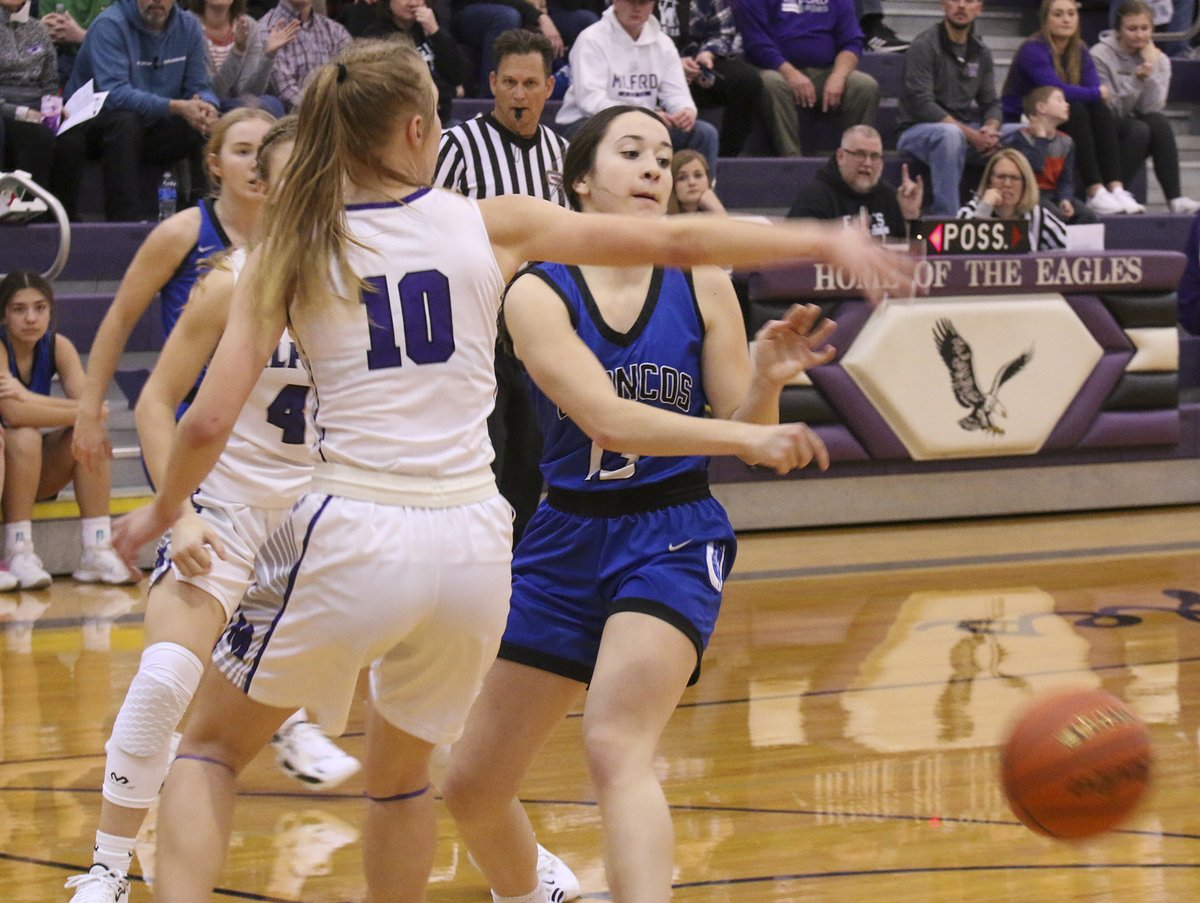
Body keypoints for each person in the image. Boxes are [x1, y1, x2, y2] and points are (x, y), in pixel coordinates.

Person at [108, 42, 913, 903]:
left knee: (208, 747)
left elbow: (208, 420)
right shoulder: (489, 222)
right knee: (404, 781)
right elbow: (679, 236)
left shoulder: (292, 247)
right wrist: (818, 233)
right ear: (417, 130)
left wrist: (164, 507)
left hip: (357, 523)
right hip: (476, 544)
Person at [438, 103, 852, 903]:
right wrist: (747, 435)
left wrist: (765, 384)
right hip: (564, 534)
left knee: (615, 741)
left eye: (664, 155)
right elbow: (607, 418)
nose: (655, 168)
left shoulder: (703, 280)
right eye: (632, 152)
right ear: (580, 181)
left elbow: (746, 429)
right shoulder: (535, 291)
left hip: (671, 532)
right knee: (472, 785)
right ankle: (530, 891)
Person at [63, 116, 359, 903]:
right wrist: (180, 514)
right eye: (291, 177)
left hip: (324, 522)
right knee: (163, 679)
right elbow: (158, 400)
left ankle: (518, 856)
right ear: (266, 188)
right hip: (225, 509)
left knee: (425, 691)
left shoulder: (372, 279)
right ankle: (107, 868)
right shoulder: (231, 279)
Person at [71, 106, 271, 475]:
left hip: (267, 420)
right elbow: (120, 318)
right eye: (242, 151)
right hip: (187, 415)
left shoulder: (297, 237)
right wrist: (89, 409)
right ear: (215, 164)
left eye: (265, 152)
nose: (256, 164)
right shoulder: (182, 232)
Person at [434, 28, 569, 545]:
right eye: (509, 82)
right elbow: (427, 230)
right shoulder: (456, 147)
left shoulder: (562, 154)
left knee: (529, 466)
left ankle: (518, 572)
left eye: (530, 83)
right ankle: (474, 562)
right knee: (482, 460)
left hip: (539, 338)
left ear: (549, 88)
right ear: (491, 82)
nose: (519, 94)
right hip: (476, 334)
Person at [0, 272, 134, 591]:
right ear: (3, 316)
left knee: (89, 432)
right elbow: (13, 413)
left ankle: (97, 549)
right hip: (7, 467)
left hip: (31, 472)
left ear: (50, 311)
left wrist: (27, 396)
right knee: (23, 435)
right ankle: (18, 551)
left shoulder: (59, 346)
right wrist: (83, 410)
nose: (31, 318)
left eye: (40, 308)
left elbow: (92, 411)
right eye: (19, 309)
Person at [50, 0, 220, 222]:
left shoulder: (189, 26)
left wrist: (207, 106)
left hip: (153, 122)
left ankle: (205, 218)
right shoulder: (109, 25)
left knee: (202, 123)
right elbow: (115, 94)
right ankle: (123, 223)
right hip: (95, 122)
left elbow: (198, 85)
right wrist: (176, 106)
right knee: (126, 122)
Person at [1002, 0, 1142, 216]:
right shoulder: (1033, 49)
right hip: (1027, 118)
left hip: (1057, 114)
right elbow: (1057, 89)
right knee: (1076, 109)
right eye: (1058, 14)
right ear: (1045, 20)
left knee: (1100, 110)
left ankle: (1116, 188)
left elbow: (1093, 89)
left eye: (1071, 14)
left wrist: (1095, 94)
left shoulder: (1080, 49)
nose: (1066, 19)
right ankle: (1094, 191)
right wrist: (1096, 93)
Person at [555, 0, 719, 174]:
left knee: (703, 133)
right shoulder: (591, 39)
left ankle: (701, 191)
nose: (637, 8)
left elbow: (676, 92)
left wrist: (685, 110)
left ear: (653, 5)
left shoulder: (663, 43)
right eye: (631, 1)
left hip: (645, 125)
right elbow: (590, 101)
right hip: (589, 123)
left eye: (643, 2)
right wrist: (642, 116)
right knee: (622, 137)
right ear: (616, 1)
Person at [1091, 0, 1200, 214]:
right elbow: (1111, 109)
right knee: (1139, 129)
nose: (1139, 35)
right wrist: (1136, 79)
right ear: (1118, 31)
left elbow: (1153, 106)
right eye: (1132, 29)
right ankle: (1114, 192)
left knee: (1158, 122)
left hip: (1136, 118)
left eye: (1144, 28)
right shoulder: (1100, 55)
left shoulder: (1159, 58)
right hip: (1107, 124)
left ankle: (1175, 198)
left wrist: (1150, 69)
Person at [895, 0, 1001, 218]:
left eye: (969, 1)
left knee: (1019, 134)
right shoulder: (924, 45)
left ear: (979, 8)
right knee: (950, 135)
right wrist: (972, 135)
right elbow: (923, 104)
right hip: (917, 131)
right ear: (943, 4)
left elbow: (991, 103)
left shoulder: (981, 52)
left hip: (964, 133)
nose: (961, 5)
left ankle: (1013, 214)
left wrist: (991, 128)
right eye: (955, 0)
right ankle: (948, 218)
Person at [733, 0, 880, 154]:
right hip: (776, 70)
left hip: (827, 70)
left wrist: (838, 76)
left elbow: (851, 42)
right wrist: (790, 73)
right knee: (770, 82)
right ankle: (791, 158)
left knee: (865, 85)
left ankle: (857, 157)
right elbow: (756, 42)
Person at [788, 124, 923, 241]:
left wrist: (910, 218)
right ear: (841, 156)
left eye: (874, 156)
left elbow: (911, 254)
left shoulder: (888, 196)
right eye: (860, 154)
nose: (867, 163)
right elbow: (795, 253)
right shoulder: (814, 198)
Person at [341, 0, 463, 122]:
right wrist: (450, 91)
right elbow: (400, 87)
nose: (413, 3)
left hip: (441, 117)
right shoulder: (376, 36)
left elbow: (459, 75)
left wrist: (435, 32)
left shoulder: (428, 25)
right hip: (401, 120)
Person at [1003, 85, 1096, 224]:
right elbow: (1035, 166)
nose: (1067, 104)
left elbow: (1066, 180)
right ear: (1041, 107)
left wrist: (1065, 198)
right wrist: (1041, 138)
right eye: (1060, 100)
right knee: (1054, 216)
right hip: (1029, 193)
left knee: (1088, 216)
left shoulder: (1066, 142)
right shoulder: (1021, 138)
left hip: (1054, 194)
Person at [187, 0, 296, 114]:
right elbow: (212, 93)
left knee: (273, 104)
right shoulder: (188, 25)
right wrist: (237, 52)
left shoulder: (248, 26)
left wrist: (269, 55)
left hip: (238, 106)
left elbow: (249, 92)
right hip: (204, 107)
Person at [956, 147, 1068, 250]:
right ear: (989, 181)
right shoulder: (969, 211)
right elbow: (960, 248)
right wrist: (984, 209)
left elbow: (1069, 247)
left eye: (1014, 178)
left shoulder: (1037, 216)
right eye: (1001, 177)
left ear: (1025, 184)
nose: (1007, 184)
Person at [1, 0, 57, 193]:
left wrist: (52, 113)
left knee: (70, 139)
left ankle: (57, 211)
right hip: (5, 108)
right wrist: (22, 112)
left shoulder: (38, 29)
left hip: (36, 105)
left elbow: (50, 81)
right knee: (37, 136)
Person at [254, 0, 350, 110]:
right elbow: (286, 91)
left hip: (336, 111)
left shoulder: (334, 30)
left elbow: (352, 77)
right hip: (293, 116)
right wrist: (325, 111)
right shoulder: (267, 30)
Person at [669, 147, 725, 213]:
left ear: (708, 180)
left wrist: (717, 209)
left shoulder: (716, 212)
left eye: (698, 175)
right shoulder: (662, 217)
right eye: (682, 178)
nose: (691, 182)